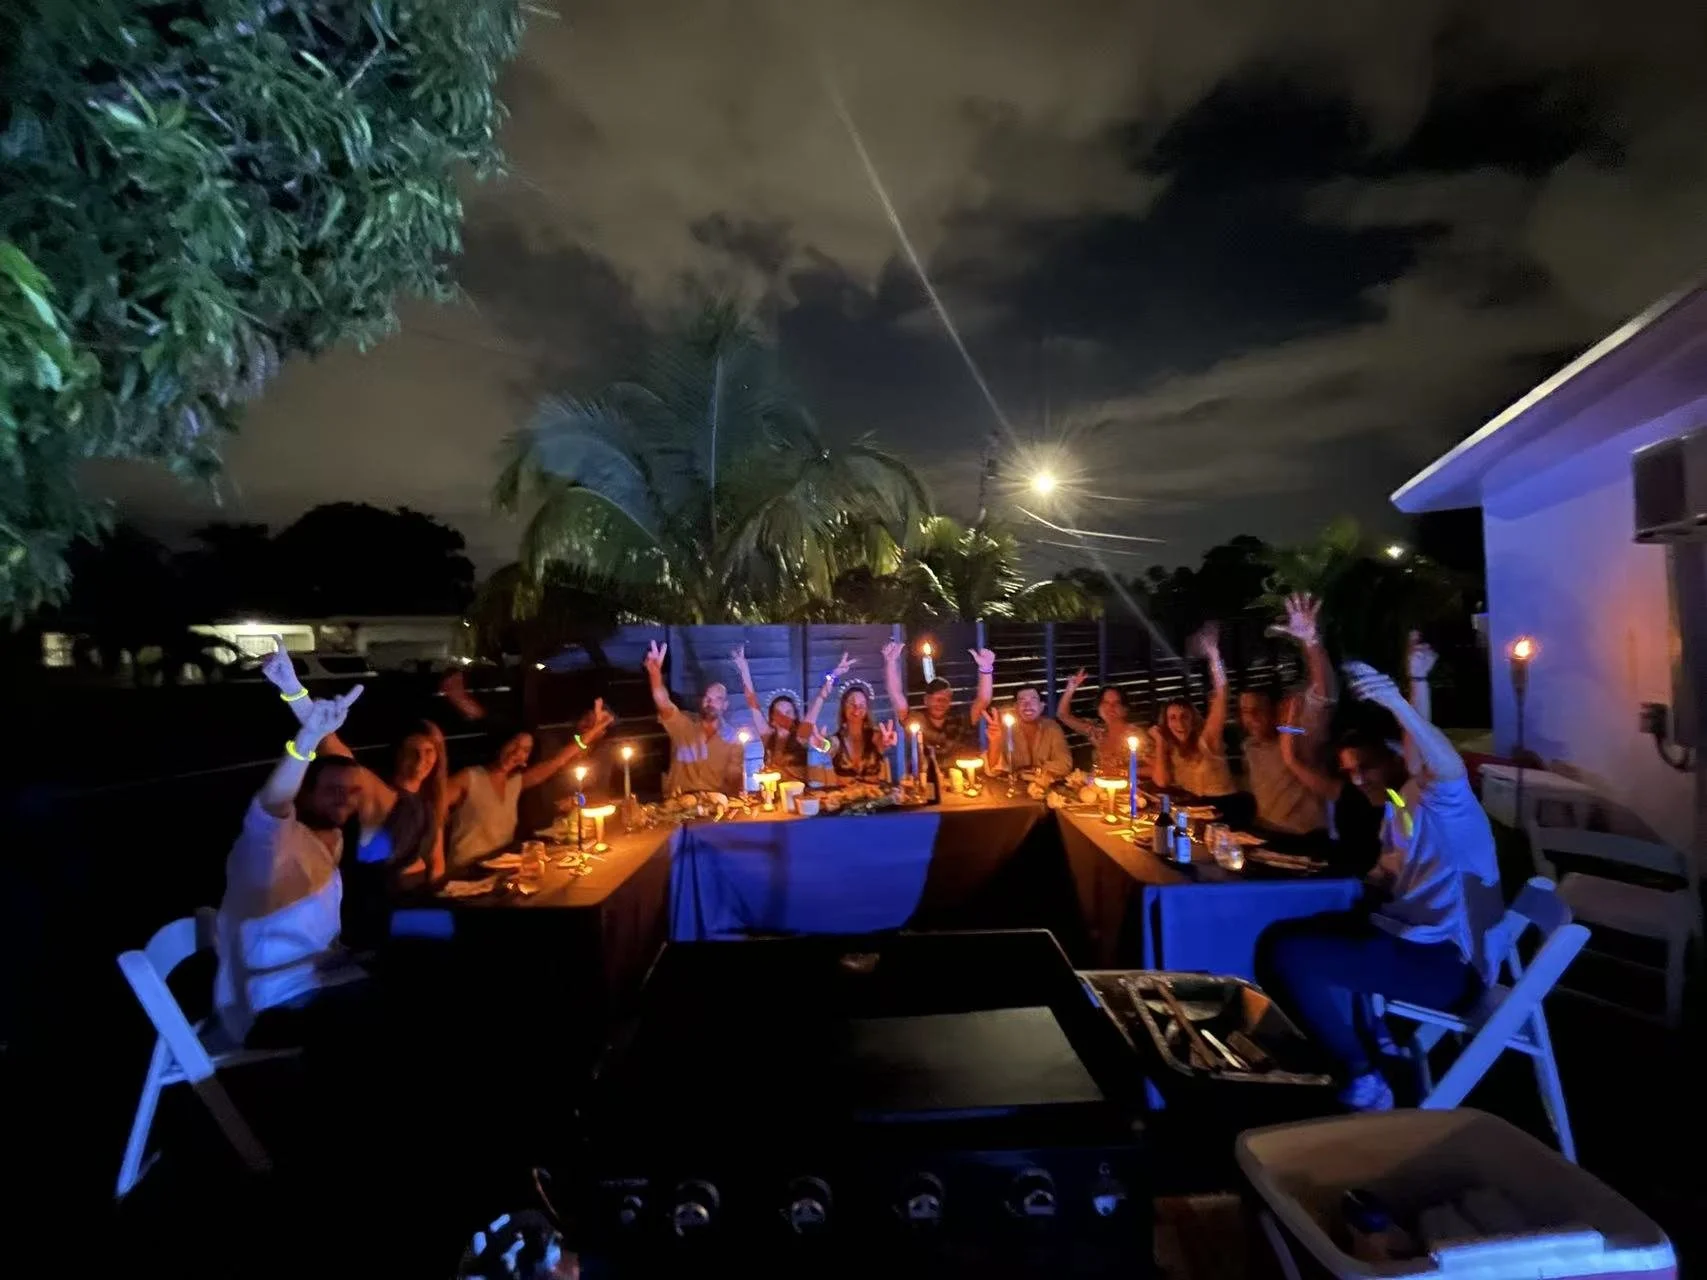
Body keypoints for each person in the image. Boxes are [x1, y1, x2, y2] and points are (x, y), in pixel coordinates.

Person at [1261, 639, 1505, 1112]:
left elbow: (1443, 762)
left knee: (1286, 953)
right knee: (1298, 932)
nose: (1357, 780)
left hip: (1450, 968)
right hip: (1411, 941)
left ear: (1394, 757)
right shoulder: (1399, 804)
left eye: (1365, 767)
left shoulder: (1446, 805)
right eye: (1349, 771)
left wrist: (1396, 699)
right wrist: (1418, 681)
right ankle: (1377, 1041)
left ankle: (1364, 1076)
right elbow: (1387, 868)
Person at [214, 688, 370, 1046]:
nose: (344, 799)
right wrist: (307, 741)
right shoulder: (273, 844)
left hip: (313, 982)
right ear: (305, 793)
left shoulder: (330, 840)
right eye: (332, 789)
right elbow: (271, 806)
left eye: (352, 792)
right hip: (269, 1007)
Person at [262, 640, 448, 885]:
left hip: (420, 898)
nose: (421, 760)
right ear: (398, 752)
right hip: (376, 899)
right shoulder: (376, 793)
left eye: (429, 751)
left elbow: (437, 863)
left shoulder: (428, 806)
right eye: (413, 751)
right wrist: (292, 687)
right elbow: (325, 736)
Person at [444, 701, 614, 870]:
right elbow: (435, 814)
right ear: (502, 743)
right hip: (466, 871)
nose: (517, 753)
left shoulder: (516, 782)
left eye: (525, 750)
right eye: (514, 744)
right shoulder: (469, 778)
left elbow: (559, 761)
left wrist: (593, 732)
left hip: (501, 865)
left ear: (526, 760)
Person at [1238, 595, 1330, 845]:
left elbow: (1322, 694)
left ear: (1276, 710)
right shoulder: (1250, 746)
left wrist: (1311, 641)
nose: (1251, 718)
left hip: (1303, 841)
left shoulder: (1299, 736)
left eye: (1258, 710)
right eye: (1245, 711)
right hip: (1265, 834)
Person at [1150, 623, 1235, 802]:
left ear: (1193, 720)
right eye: (1172, 718)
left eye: (1184, 717)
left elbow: (1222, 694)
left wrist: (1214, 656)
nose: (1179, 723)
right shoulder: (1173, 750)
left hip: (1223, 807)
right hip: (1192, 808)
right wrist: (1160, 742)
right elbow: (1161, 781)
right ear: (1166, 722)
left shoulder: (1207, 741)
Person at [645, 639, 742, 794]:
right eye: (707, 697)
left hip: (714, 804)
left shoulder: (733, 738)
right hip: (678, 802)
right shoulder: (684, 724)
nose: (710, 702)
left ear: (725, 705)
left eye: (717, 699)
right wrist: (655, 674)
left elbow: (734, 779)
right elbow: (663, 702)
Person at [881, 640, 995, 759]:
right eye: (937, 699)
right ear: (926, 700)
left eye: (945, 699)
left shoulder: (959, 720)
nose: (941, 703)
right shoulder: (916, 720)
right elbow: (896, 695)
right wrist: (891, 662)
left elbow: (983, 701)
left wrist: (986, 669)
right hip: (924, 771)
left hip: (960, 769)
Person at [732, 643, 823, 782]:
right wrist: (744, 670)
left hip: (798, 793)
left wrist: (832, 678)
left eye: (788, 712)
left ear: (795, 716)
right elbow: (752, 703)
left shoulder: (801, 736)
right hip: (770, 793)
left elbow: (817, 703)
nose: (783, 716)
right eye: (779, 712)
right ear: (773, 718)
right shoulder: (767, 735)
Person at [806, 679, 900, 783]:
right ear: (844, 708)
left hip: (874, 793)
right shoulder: (837, 740)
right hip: (843, 793)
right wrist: (821, 745)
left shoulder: (876, 737)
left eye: (862, 705)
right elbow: (829, 746)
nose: (856, 709)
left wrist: (886, 742)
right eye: (851, 704)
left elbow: (882, 743)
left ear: (866, 709)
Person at [1057, 671, 1138, 777]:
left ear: (1125, 709)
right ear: (1099, 708)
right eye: (1105, 702)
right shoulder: (1097, 730)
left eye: (1116, 703)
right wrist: (1071, 688)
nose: (1110, 708)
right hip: (1097, 784)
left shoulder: (1134, 735)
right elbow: (1062, 715)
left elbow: (1154, 769)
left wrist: (1123, 771)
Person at [984, 685, 1073, 780]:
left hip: (1045, 787)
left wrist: (1032, 770)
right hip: (1015, 787)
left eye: (1033, 700)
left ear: (1041, 706)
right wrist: (995, 742)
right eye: (1022, 701)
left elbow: (1065, 764)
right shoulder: (1005, 729)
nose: (1027, 706)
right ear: (1016, 707)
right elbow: (992, 771)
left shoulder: (1052, 727)